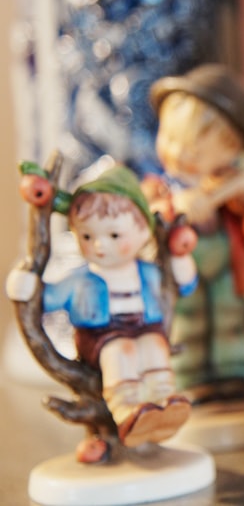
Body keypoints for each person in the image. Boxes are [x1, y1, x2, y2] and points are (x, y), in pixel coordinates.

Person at [6, 166, 198, 447]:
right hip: (101, 338)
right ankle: (128, 411)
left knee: (156, 347)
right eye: (87, 236)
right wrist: (24, 284)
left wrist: (181, 262)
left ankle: (163, 402)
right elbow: (47, 299)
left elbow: (182, 285)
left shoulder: (147, 273)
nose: (99, 246)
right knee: (122, 350)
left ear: (144, 231)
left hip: (145, 326)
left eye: (114, 236)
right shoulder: (81, 279)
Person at [146, 64, 244, 404]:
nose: (179, 154)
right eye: (169, 139)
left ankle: (233, 375)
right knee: (189, 320)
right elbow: (147, 214)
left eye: (195, 151)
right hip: (185, 267)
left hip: (224, 262)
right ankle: (189, 377)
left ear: (231, 150)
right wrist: (174, 205)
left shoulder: (228, 181)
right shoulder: (162, 187)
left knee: (230, 318)